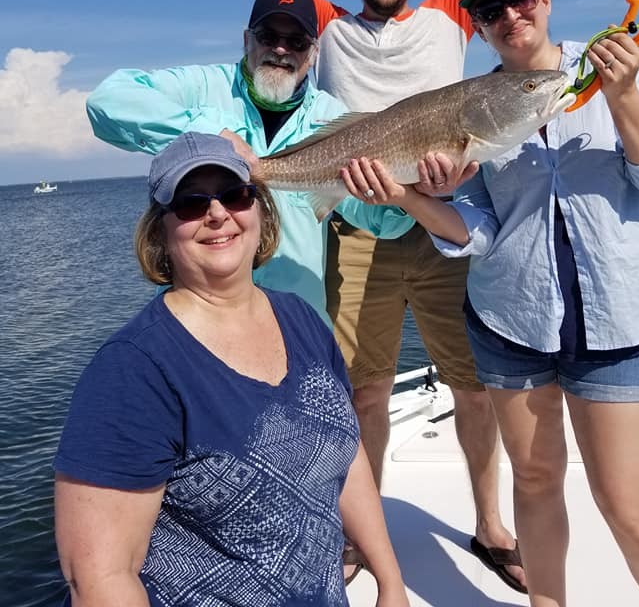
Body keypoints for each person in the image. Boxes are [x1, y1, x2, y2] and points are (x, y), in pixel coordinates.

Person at [211, 0, 557, 592]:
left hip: (446, 229)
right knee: (364, 394)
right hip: (358, 234)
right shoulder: (327, 25)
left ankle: (490, 524)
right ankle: (361, 535)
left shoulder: (450, 14)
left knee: (473, 390)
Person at [338, 0, 639, 607]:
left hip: (617, 318)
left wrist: (622, 97)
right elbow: (477, 229)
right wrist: (409, 197)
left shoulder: (610, 68)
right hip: (511, 320)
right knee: (532, 481)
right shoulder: (475, 104)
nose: (510, 14)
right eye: (490, 9)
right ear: (477, 27)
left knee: (626, 503)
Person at [54, 132, 410, 607]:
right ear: (159, 232)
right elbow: (99, 577)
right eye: (191, 203)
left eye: (235, 194)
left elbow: (344, 456)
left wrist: (390, 580)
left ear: (260, 210)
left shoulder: (302, 318)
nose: (217, 213)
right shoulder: (134, 369)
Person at [86, 0, 414, 325]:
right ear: (247, 40)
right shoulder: (203, 87)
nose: (281, 49)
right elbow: (106, 101)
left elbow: (380, 222)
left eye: (297, 42)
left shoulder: (332, 116)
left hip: (295, 321)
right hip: (195, 320)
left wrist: (406, 196)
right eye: (268, 37)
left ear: (314, 53)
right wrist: (209, 133)